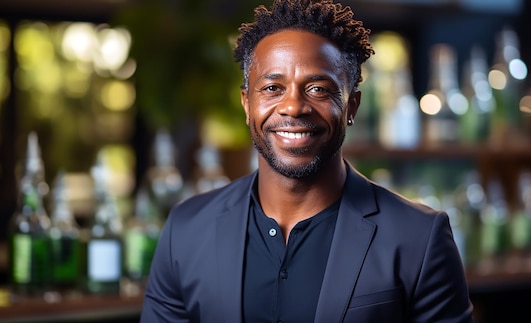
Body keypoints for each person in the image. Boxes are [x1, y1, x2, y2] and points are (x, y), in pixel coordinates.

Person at [140, 0, 474, 322]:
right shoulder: (186, 230)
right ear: (246, 104)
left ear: (352, 107)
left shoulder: (419, 237)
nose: (293, 107)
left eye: (317, 89)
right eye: (272, 87)